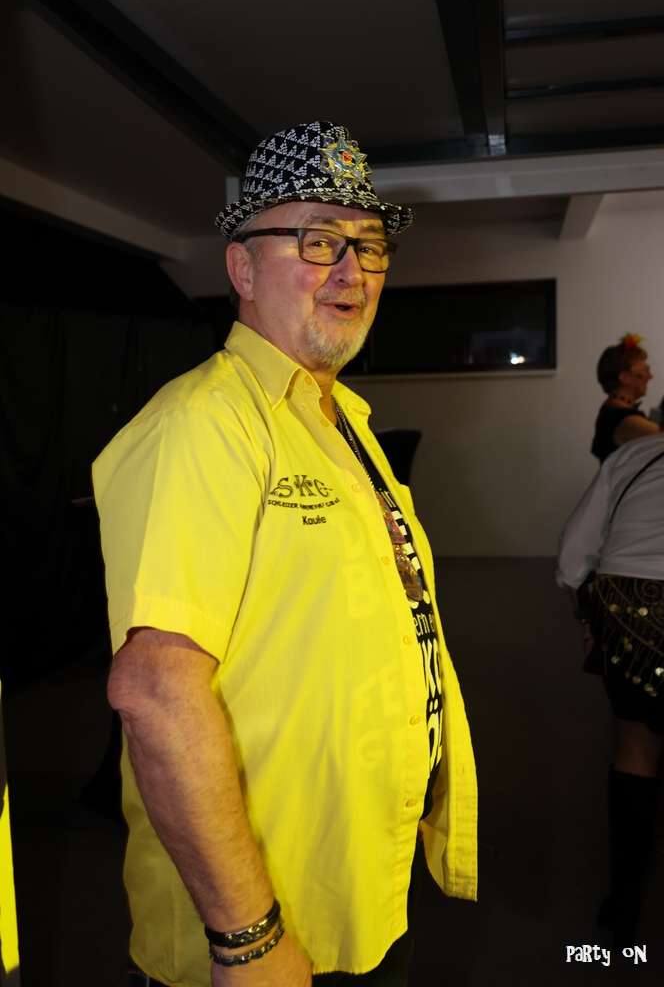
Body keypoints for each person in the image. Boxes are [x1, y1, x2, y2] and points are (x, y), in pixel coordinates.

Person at [93, 120, 478, 987]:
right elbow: (156, 691)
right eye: (317, 241)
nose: (353, 271)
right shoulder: (204, 424)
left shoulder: (343, 421)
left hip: (349, 879)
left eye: (369, 246)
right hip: (255, 926)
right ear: (241, 268)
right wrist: (248, 940)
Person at [557, 432, 664, 945]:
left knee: (636, 747)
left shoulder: (635, 455)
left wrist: (587, 613)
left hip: (633, 608)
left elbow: (573, 555)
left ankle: (623, 903)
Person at [591, 334, 660, 463]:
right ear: (625, 378)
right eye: (645, 371)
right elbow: (662, 437)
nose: (650, 376)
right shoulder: (625, 419)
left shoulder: (612, 410)